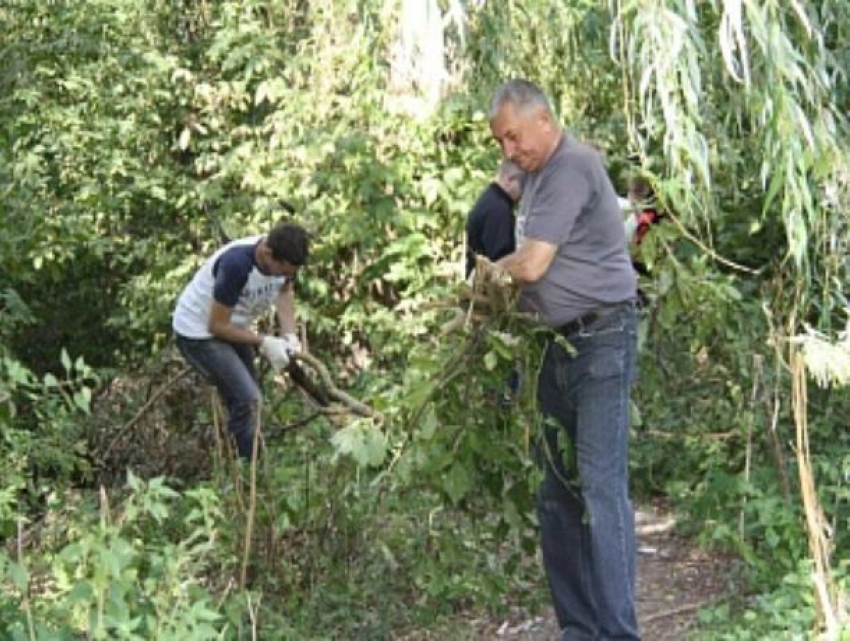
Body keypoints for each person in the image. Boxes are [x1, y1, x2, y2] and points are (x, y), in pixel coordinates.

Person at [489, 79, 641, 640]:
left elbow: (529, 266)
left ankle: (620, 632)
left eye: (513, 136)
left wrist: (482, 280)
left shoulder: (570, 166)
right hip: (558, 347)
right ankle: (580, 629)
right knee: (555, 493)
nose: (509, 151)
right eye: (501, 143)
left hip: (602, 339)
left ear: (544, 120)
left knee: (602, 489)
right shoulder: (535, 178)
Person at [172, 221, 310, 459]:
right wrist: (264, 342)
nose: (288, 277)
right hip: (198, 333)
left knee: (251, 400)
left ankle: (245, 454)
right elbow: (216, 326)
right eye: (285, 270)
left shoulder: (283, 260)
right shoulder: (236, 265)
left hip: (232, 326)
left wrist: (289, 335)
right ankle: (248, 469)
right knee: (248, 399)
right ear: (268, 254)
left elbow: (285, 292)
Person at [465, 159, 524, 277]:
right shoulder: (499, 211)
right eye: (523, 185)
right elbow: (502, 260)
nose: (524, 193)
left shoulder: (489, 200)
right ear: (510, 179)